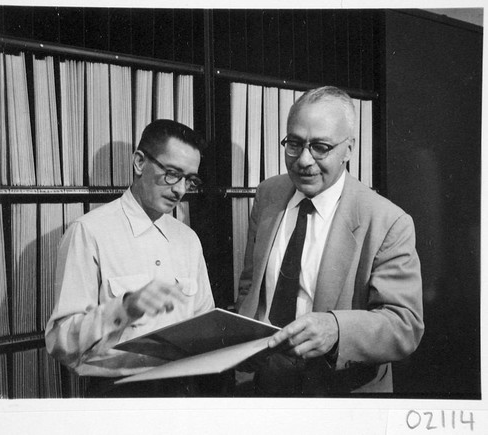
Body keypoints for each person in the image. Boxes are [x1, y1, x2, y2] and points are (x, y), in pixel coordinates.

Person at [236, 86, 424, 396]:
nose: (303, 160)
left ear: (349, 149)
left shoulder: (388, 221)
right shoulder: (268, 194)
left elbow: (405, 325)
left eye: (320, 147)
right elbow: (250, 286)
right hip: (267, 387)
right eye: (294, 144)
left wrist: (336, 330)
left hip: (341, 394)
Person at [45, 119, 215, 397]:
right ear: (139, 162)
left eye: (189, 179)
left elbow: (204, 322)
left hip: (184, 391)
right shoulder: (89, 232)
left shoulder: (188, 240)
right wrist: (125, 309)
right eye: (172, 173)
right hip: (118, 395)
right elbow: (60, 343)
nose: (180, 190)